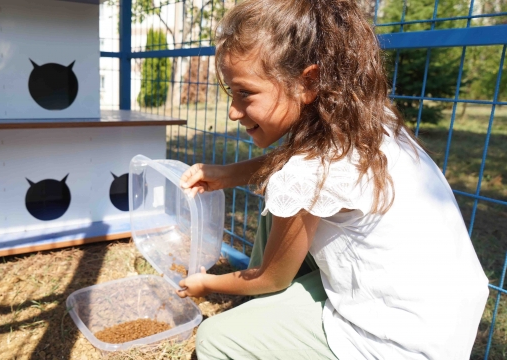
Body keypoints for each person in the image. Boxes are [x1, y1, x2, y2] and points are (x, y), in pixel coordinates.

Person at [175, 0, 489, 359]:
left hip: (397, 343)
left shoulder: (306, 173)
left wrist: (207, 283)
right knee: (281, 197)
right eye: (231, 93)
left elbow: (270, 276)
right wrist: (227, 174)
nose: (233, 111)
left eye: (245, 92)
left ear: (308, 81)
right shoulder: (369, 121)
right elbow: (294, 165)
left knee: (215, 338)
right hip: (441, 316)